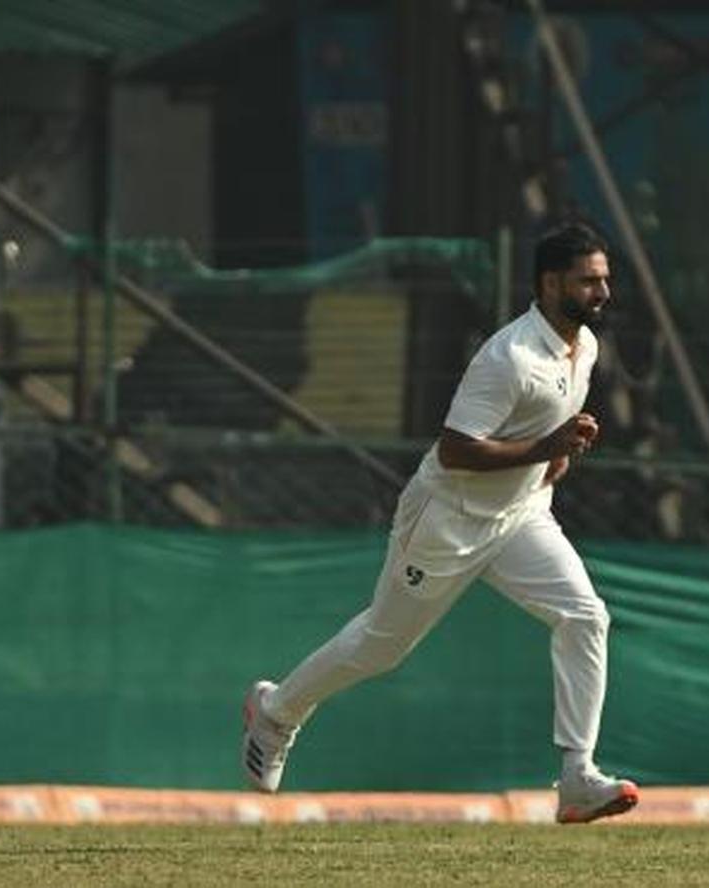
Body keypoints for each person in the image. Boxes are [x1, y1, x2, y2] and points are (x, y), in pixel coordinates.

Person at [241, 222, 639, 824]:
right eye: (588, 281)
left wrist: (553, 456)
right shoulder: (508, 357)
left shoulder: (584, 346)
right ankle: (275, 714)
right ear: (550, 283)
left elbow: (543, 428)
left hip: (521, 515)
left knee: (586, 616)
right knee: (382, 646)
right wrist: (544, 447)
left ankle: (577, 777)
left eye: (604, 279)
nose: (602, 292)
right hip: (447, 520)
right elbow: (456, 450)